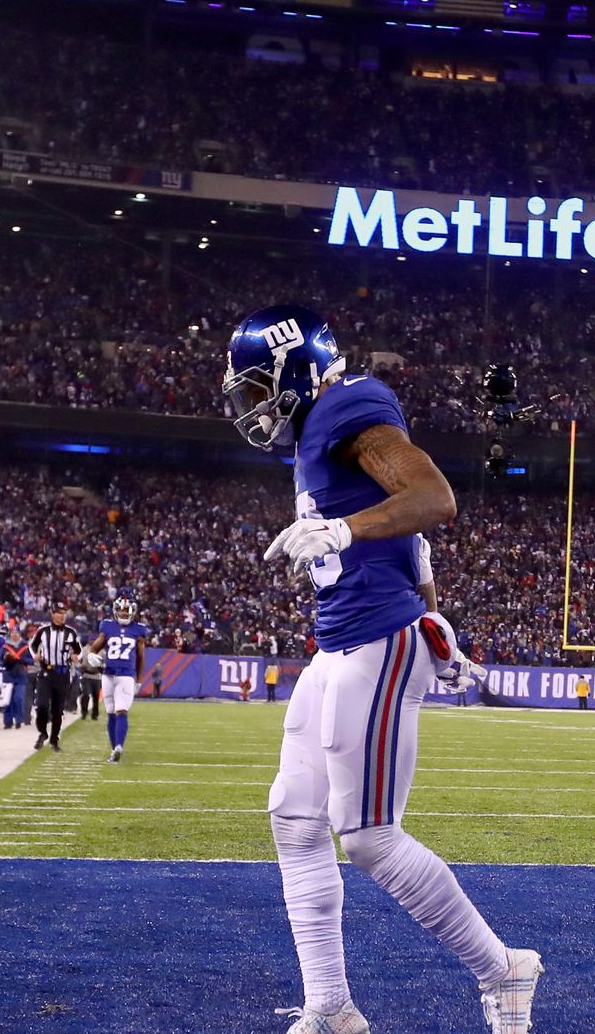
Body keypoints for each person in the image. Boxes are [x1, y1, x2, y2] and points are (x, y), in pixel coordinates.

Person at [224, 304, 536, 1034]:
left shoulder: (347, 406)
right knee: (294, 819)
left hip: (374, 637)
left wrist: (343, 528)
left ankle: (503, 970)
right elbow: (416, 545)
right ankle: (330, 1005)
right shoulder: (314, 432)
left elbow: (431, 499)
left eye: (258, 385)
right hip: (338, 642)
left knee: (366, 835)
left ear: (296, 368)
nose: (254, 405)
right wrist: (435, 612)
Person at [89, 596, 146, 762]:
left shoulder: (139, 630)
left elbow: (141, 656)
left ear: (132, 612)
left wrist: (139, 679)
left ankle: (119, 746)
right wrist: (92, 656)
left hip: (126, 675)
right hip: (108, 674)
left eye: (126, 610)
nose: (123, 612)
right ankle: (115, 750)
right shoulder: (107, 626)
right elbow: (95, 647)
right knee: (111, 712)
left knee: (121, 710)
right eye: (121, 609)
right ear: (115, 610)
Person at [29, 604, 82, 752]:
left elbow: (79, 650)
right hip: (46, 672)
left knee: (58, 709)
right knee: (42, 705)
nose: (62, 616)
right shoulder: (43, 631)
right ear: (53, 614)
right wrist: (36, 656)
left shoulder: (71, 633)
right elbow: (32, 645)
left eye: (64, 613)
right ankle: (43, 733)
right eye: (59, 613)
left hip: (62, 673)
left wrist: (76, 656)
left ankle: (54, 739)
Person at [76, 639, 105, 722]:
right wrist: (81, 667)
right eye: (92, 640)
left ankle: (95, 715)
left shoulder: (102, 651)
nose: (93, 642)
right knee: (85, 694)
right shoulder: (84, 650)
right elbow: (78, 660)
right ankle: (84, 713)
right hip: (86, 675)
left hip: (97, 676)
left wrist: (100, 667)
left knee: (96, 697)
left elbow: (104, 663)